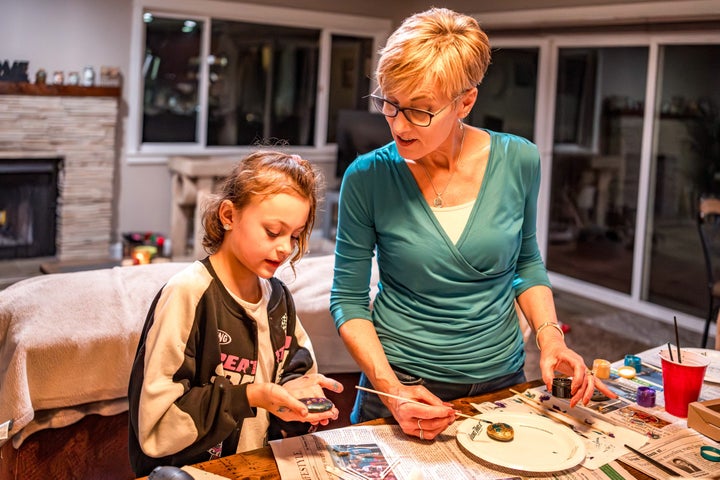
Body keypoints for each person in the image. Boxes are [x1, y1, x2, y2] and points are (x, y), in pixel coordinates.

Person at [329, 7, 616, 441]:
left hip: (501, 381)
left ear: (466, 101)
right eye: (390, 104)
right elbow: (349, 300)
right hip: (399, 385)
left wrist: (551, 338)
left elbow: (525, 262)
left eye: (421, 111)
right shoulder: (366, 177)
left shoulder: (519, 160)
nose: (398, 125)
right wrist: (390, 390)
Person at [128, 151, 343, 476]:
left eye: (295, 235)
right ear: (229, 215)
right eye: (273, 231)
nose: (286, 248)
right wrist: (251, 395)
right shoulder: (188, 294)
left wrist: (300, 398)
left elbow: (295, 369)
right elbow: (157, 425)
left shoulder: (278, 298)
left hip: (254, 466)